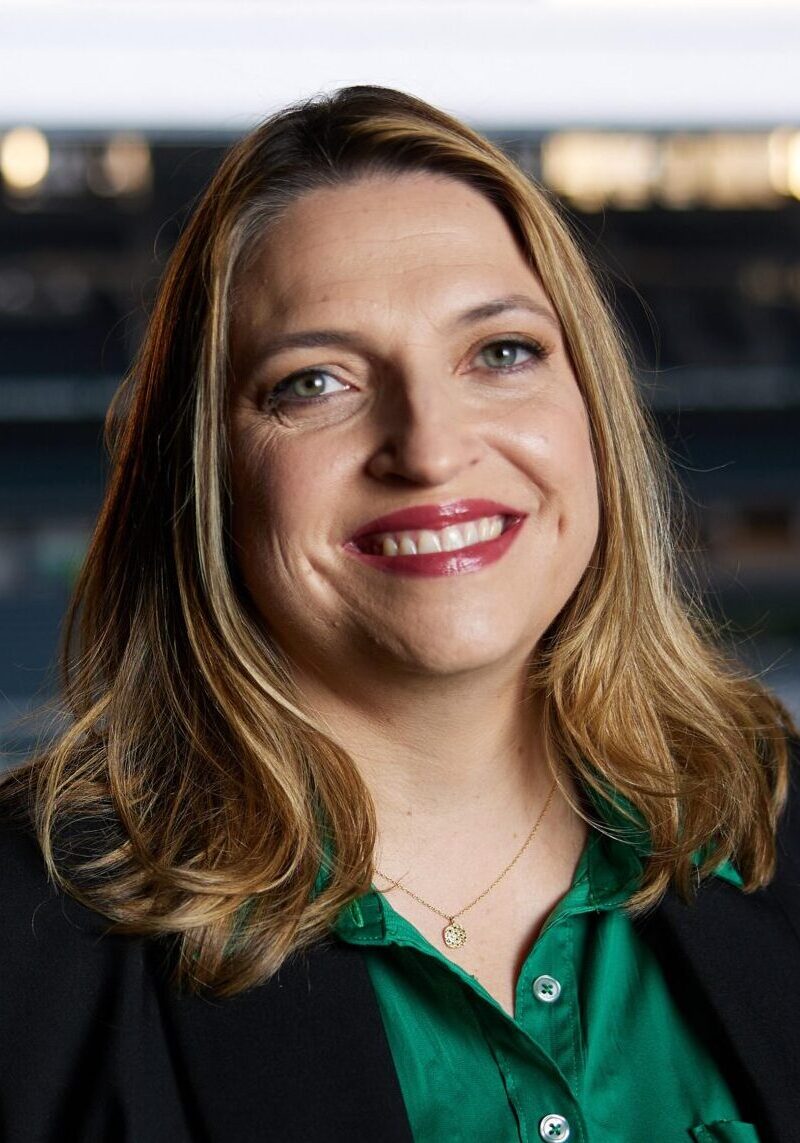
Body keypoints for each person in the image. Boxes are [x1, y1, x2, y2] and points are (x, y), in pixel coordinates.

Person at [0, 84, 798, 1143]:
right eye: (314, 381)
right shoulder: (27, 941)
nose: (427, 447)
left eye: (500, 353)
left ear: (591, 411)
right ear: (206, 472)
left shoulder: (771, 812)